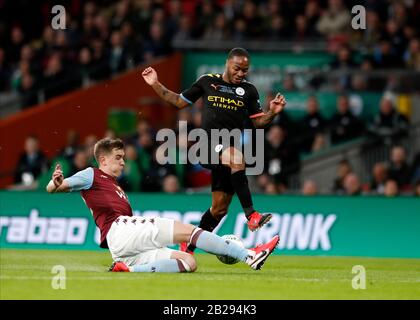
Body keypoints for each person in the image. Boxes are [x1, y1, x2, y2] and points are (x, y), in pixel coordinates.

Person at [46, 137, 279, 273]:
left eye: (123, 156)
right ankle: (249, 255)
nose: (123, 161)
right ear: (103, 159)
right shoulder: (92, 174)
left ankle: (128, 270)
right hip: (119, 230)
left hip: (120, 249)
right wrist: (55, 183)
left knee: (188, 261)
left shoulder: (114, 186)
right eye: (118, 157)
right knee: (190, 232)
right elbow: (57, 187)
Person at [142, 47, 286, 254]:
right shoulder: (207, 82)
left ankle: (188, 246)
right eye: (237, 68)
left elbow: (259, 123)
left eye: (244, 70)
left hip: (227, 152)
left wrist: (272, 112)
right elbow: (177, 101)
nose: (240, 73)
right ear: (227, 63)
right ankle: (252, 216)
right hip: (207, 145)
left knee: (219, 209)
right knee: (238, 159)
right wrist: (155, 83)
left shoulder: (249, 91)